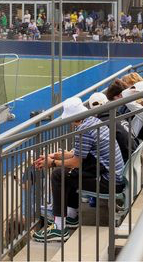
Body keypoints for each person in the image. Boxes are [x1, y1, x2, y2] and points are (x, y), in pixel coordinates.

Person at [31, 97, 125, 241]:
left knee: (59, 175)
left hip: (109, 182)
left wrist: (52, 163)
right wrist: (53, 156)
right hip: (113, 176)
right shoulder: (93, 121)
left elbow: (76, 161)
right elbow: (78, 154)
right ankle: (71, 215)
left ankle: (59, 228)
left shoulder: (84, 130)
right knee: (69, 173)